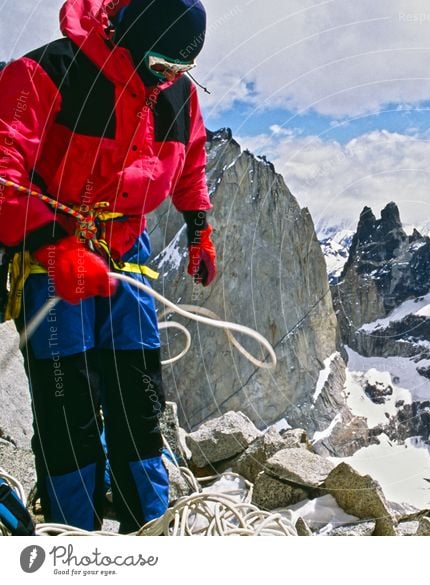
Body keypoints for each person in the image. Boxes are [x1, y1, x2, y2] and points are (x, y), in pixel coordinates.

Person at [0, 0, 217, 533]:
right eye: (162, 65)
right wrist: (54, 239)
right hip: (50, 252)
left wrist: (199, 226)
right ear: (131, 40)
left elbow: (190, 162)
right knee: (65, 402)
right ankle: (73, 538)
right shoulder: (45, 72)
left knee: (137, 395)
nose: (170, 79)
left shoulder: (177, 95)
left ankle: (150, 529)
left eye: (180, 69)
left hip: (125, 251)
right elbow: (4, 179)